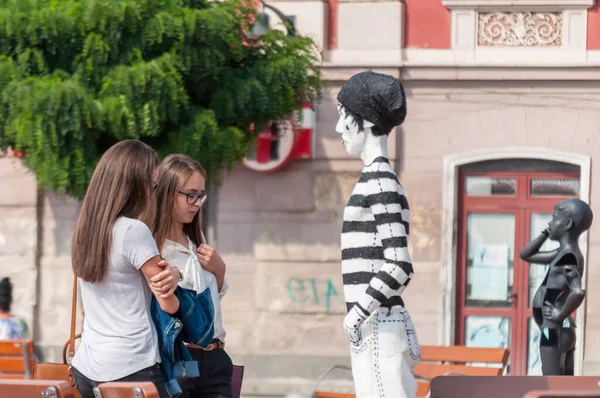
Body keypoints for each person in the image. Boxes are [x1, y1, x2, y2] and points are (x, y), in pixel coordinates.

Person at [70, 140, 182, 398]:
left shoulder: (85, 231)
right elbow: (169, 304)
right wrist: (177, 275)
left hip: (88, 368)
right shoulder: (133, 230)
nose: (153, 193)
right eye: (153, 185)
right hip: (131, 366)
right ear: (136, 185)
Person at [336, 71, 420, 398]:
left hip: (377, 326)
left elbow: (399, 264)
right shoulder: (379, 178)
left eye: (346, 117)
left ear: (367, 122)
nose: (339, 127)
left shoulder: (379, 180)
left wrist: (356, 315)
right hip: (377, 326)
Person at [154, 154, 233, 398]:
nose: (196, 203)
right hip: (179, 362)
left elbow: (210, 306)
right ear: (168, 193)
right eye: (190, 195)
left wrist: (219, 270)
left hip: (216, 358)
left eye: (200, 196)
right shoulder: (153, 248)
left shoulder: (196, 241)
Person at [520, 198, 592, 375]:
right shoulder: (562, 253)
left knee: (551, 381)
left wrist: (560, 314)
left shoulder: (569, 256)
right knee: (565, 384)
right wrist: (546, 232)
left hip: (553, 329)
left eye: (554, 218)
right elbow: (527, 255)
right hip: (560, 328)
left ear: (567, 224)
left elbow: (578, 291)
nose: (549, 222)